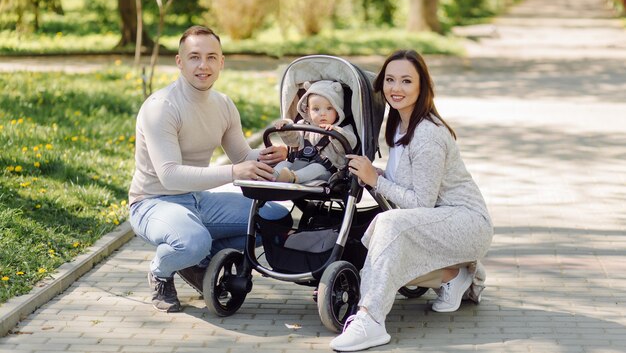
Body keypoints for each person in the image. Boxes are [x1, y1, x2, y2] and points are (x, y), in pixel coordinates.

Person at [330, 50, 493, 351]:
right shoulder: (399, 126)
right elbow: (408, 185)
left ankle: (370, 320)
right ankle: (455, 276)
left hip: (467, 222)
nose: (396, 88)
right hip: (438, 221)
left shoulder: (427, 135)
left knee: (388, 226)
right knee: (377, 237)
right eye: (390, 80)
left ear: (422, 87)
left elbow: (421, 203)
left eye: (406, 81)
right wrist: (372, 172)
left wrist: (376, 180)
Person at [128, 25, 290, 313]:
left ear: (222, 62)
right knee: (193, 241)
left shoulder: (223, 104)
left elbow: (242, 155)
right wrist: (233, 173)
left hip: (198, 200)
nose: (203, 65)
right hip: (153, 202)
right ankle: (162, 270)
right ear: (180, 62)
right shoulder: (161, 107)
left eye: (211, 57)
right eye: (194, 57)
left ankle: (197, 261)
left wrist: (274, 155)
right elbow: (170, 175)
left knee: (275, 218)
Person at [272, 80, 357, 184]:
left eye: (329, 108)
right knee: (284, 165)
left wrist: (335, 133)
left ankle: (293, 178)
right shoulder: (303, 125)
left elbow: (351, 143)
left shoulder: (343, 128)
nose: (322, 113)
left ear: (338, 110)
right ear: (307, 110)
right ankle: (271, 176)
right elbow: (293, 141)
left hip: (326, 170)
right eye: (316, 109)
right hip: (299, 163)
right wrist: (286, 127)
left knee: (316, 168)